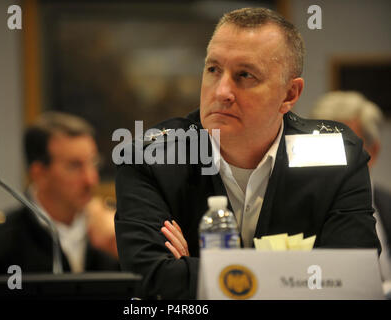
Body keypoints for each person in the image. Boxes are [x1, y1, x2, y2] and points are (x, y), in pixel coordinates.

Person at [114, 8, 381, 299]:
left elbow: (352, 278)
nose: (222, 91)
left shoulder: (337, 156)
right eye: (213, 69)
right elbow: (150, 280)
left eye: (245, 75)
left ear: (289, 94)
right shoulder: (150, 159)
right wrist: (293, 275)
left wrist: (200, 272)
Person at [0, 112, 119, 299]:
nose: (92, 179)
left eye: (93, 163)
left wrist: (120, 247)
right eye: (75, 166)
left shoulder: (111, 233)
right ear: (39, 174)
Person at [311, 91, 391, 281]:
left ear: (374, 152)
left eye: (345, 147)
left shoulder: (387, 204)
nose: (332, 158)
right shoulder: (295, 208)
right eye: (323, 146)